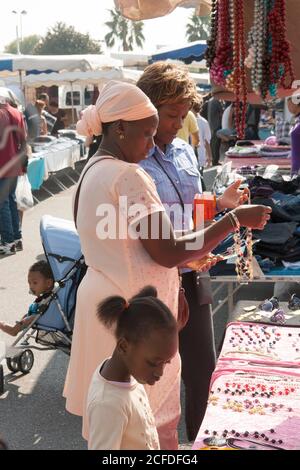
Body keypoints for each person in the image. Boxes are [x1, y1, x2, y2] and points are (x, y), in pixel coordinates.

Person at [63, 80, 271, 450]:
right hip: (136, 316)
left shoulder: (91, 171)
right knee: (147, 428)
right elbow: (168, 249)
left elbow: (135, 247)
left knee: (116, 425)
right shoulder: (127, 175)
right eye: (146, 135)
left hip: (115, 304)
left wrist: (172, 283)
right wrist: (233, 219)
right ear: (119, 128)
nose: (148, 147)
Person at [137, 61, 265, 442]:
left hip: (195, 271)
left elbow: (193, 211)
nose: (179, 124)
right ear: (147, 108)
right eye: (171, 115)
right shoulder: (131, 160)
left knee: (202, 372)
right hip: (154, 280)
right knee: (153, 380)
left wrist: (220, 203)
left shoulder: (184, 152)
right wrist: (229, 219)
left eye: (183, 116)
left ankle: (199, 443)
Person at [87, 285, 178, 450]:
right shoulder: (107, 404)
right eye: (153, 363)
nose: (160, 372)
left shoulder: (129, 373)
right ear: (123, 346)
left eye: (167, 362)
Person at [0, 95, 26, 255]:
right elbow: (24, 139)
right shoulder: (16, 112)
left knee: (3, 204)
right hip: (14, 163)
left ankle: (8, 242)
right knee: (10, 201)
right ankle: (16, 238)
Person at [0, 261, 54, 336]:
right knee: (28, 315)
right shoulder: (52, 293)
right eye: (29, 283)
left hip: (41, 317)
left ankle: (4, 325)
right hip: (42, 313)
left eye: (35, 283)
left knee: (26, 319)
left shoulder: (51, 297)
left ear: (48, 283)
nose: (31, 286)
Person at [192, 98, 212, 171]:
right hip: (199, 155)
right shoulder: (204, 122)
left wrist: (209, 157)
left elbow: (207, 141)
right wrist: (209, 157)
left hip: (199, 156)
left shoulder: (203, 122)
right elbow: (207, 141)